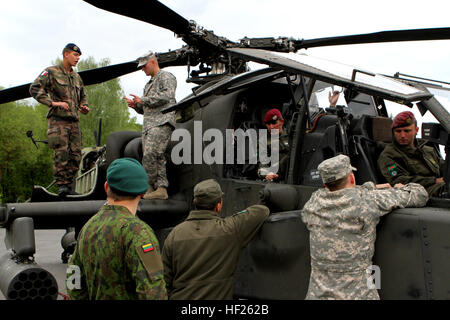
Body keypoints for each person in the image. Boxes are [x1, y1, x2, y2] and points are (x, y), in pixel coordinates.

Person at [301, 154, 428, 300]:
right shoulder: (367, 201)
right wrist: (402, 187)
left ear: (325, 185)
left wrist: (370, 187)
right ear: (352, 178)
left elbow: (341, 194)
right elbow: (420, 195)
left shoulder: (313, 204)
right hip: (357, 294)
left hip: (317, 294)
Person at [67, 158, 167, 300]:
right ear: (143, 192)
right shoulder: (138, 232)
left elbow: (73, 277)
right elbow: (153, 291)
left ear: (107, 187)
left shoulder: (88, 228)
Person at [162, 179, 269, 299]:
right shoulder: (230, 229)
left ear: (195, 202)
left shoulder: (174, 235)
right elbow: (261, 211)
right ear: (218, 205)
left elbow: (164, 281)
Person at [30, 43, 90, 196]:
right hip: (58, 121)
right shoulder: (51, 72)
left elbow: (83, 96)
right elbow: (34, 88)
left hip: (74, 121)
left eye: (79, 56)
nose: (77, 59)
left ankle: (70, 185)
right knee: (61, 153)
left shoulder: (77, 77)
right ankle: (62, 186)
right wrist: (53, 103)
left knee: (76, 155)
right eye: (75, 55)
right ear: (66, 54)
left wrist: (84, 106)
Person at [123, 50, 177, 200]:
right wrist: (136, 106)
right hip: (149, 124)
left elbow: (167, 96)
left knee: (150, 153)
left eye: (144, 66)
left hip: (162, 121)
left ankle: (151, 186)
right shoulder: (148, 85)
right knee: (156, 156)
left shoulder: (165, 76)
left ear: (153, 62)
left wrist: (144, 100)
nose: (142, 69)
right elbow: (146, 109)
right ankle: (158, 188)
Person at [377, 111, 446, 197]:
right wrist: (434, 181)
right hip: (418, 193)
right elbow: (398, 180)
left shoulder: (428, 150)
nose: (402, 135)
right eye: (398, 131)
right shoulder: (389, 156)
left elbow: (443, 166)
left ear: (416, 130)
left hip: (438, 187)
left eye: (407, 131)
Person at [257, 108, 290, 181]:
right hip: (277, 176)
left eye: (274, 123)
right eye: (268, 124)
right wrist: (266, 174)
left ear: (282, 122)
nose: (271, 127)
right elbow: (262, 163)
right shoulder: (264, 141)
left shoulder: (292, 135)